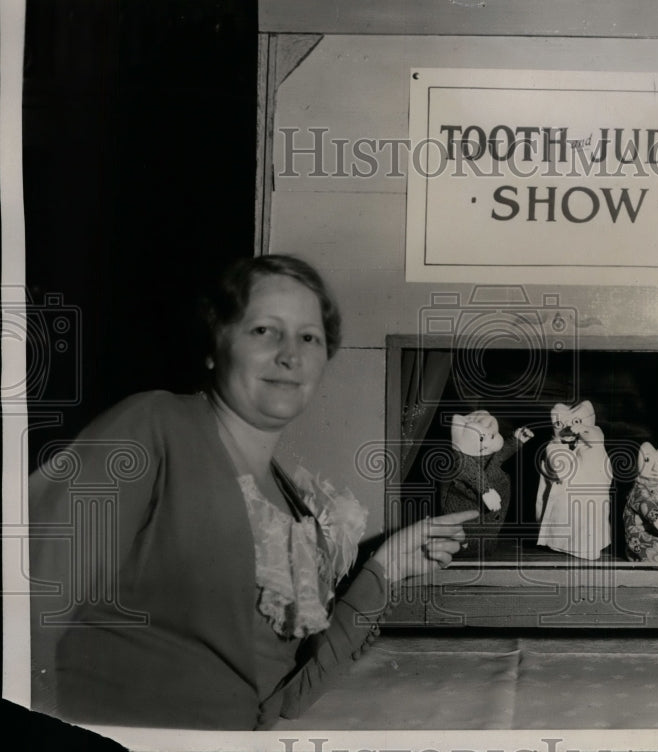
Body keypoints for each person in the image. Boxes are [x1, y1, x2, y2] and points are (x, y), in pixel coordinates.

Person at [28, 254, 475, 730]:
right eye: (264, 330)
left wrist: (386, 570)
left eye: (309, 337)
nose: (290, 354)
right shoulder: (152, 429)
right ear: (213, 345)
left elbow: (281, 701)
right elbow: (20, 616)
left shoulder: (295, 505)